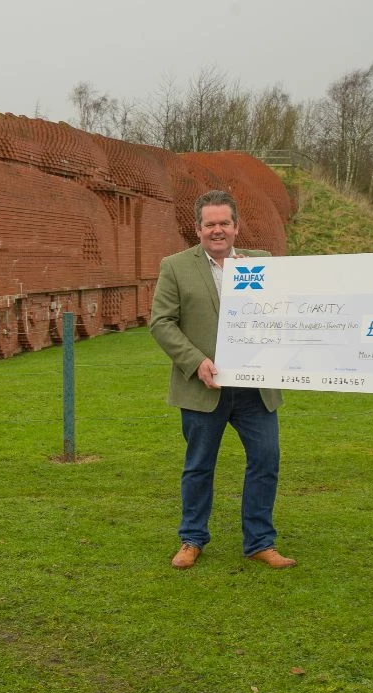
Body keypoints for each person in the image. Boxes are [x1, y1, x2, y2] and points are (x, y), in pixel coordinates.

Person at [149, 190, 295, 571]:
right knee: (199, 465)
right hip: (202, 388)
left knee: (266, 460)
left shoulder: (263, 263)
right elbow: (161, 322)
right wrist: (195, 361)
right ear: (198, 228)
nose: (218, 230)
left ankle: (260, 542)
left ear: (236, 226)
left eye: (224, 223)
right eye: (210, 224)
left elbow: (291, 308)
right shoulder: (175, 267)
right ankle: (192, 538)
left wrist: (266, 286)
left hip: (255, 390)